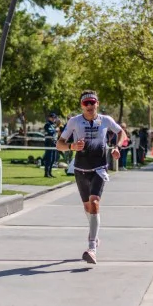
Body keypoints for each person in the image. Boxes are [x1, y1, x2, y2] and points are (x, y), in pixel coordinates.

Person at [57, 90, 127, 264]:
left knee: (94, 203)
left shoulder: (106, 120)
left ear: (97, 104)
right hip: (80, 169)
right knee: (88, 207)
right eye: (85, 103)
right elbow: (59, 144)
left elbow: (121, 133)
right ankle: (95, 236)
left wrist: (117, 147)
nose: (89, 106)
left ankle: (92, 248)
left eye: (92, 102)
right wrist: (72, 147)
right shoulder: (74, 121)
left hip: (99, 169)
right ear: (82, 106)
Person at [43, 112, 59, 178]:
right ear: (49, 118)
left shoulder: (53, 125)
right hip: (49, 143)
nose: (53, 119)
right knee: (49, 158)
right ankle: (46, 173)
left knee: (53, 159)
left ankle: (50, 172)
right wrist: (55, 130)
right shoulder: (47, 125)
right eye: (52, 117)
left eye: (54, 118)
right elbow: (50, 132)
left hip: (54, 143)